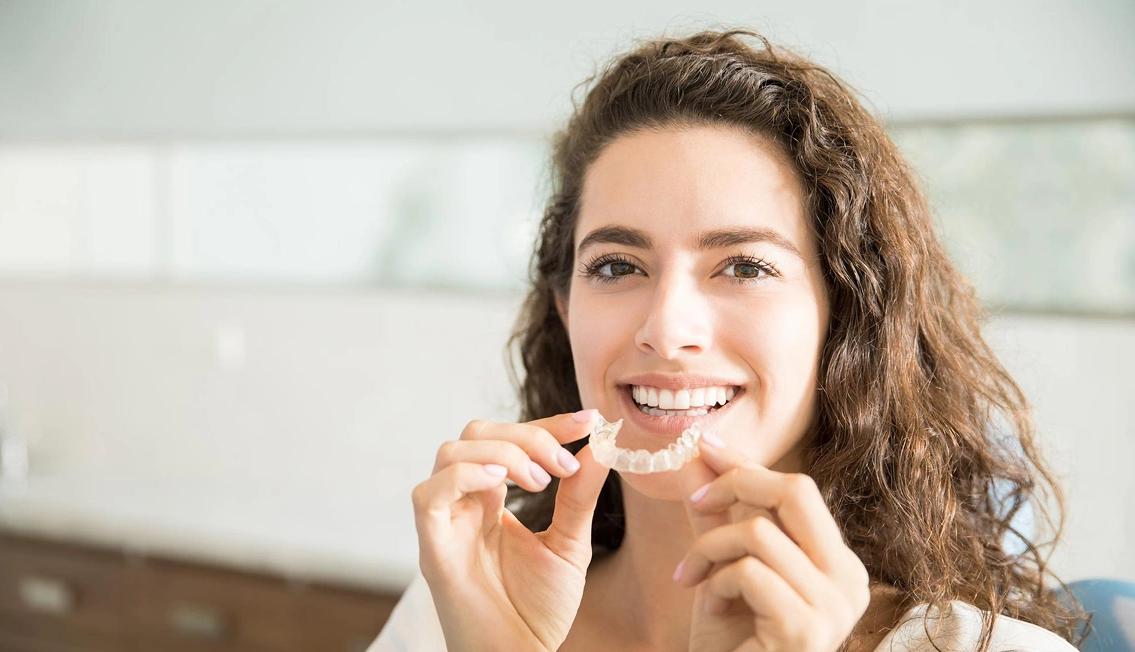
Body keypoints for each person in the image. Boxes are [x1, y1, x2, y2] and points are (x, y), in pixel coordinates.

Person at [370, 29, 1089, 651]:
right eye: (617, 266)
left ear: (845, 318)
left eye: (744, 266)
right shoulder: (456, 616)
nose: (666, 330)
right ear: (565, 310)